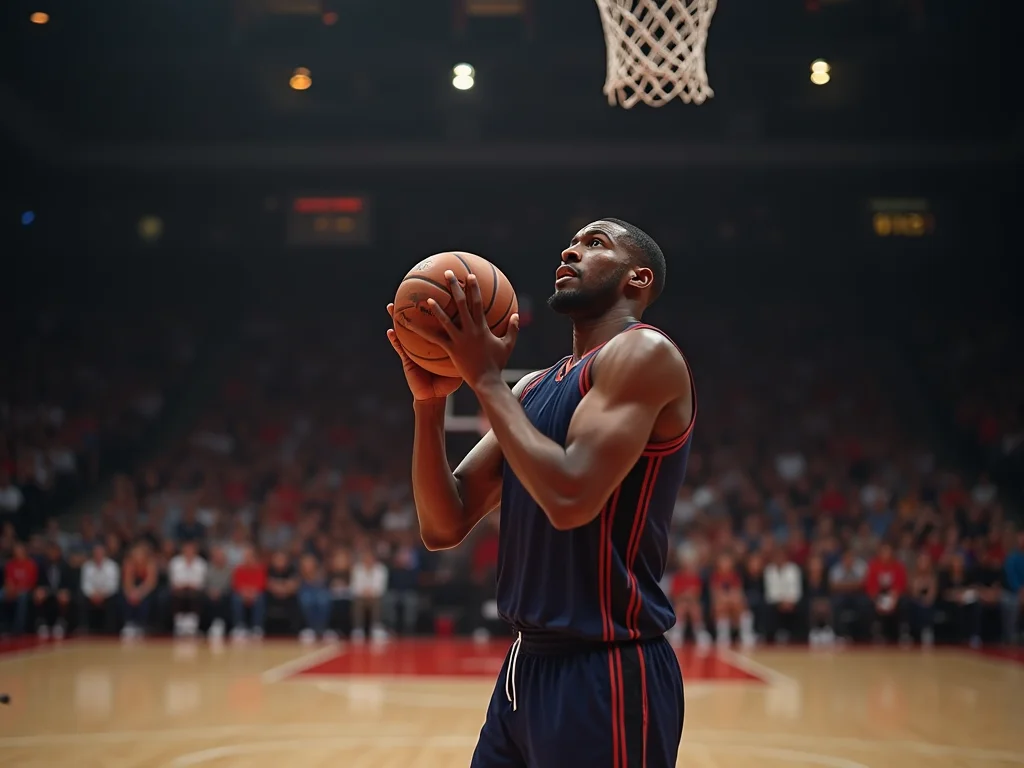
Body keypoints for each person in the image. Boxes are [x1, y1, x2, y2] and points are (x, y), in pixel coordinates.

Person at [387, 219, 694, 767]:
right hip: (522, 671)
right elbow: (443, 524)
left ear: (638, 279)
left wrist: (484, 382)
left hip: (607, 671)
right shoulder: (531, 388)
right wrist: (429, 405)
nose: (571, 250)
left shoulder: (644, 354)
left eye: (595, 244)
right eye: (571, 243)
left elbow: (571, 496)